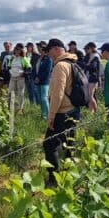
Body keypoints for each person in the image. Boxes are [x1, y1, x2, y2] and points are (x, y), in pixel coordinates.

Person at [43, 38, 82, 186]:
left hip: (62, 112)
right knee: (69, 143)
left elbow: (57, 93)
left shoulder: (60, 66)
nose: (48, 54)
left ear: (56, 49)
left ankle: (54, 179)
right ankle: (69, 174)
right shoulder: (72, 62)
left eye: (49, 51)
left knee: (49, 144)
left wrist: (51, 115)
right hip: (74, 110)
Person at [7, 44, 32, 113]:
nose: (17, 51)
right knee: (10, 92)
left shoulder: (24, 59)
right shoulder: (12, 58)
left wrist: (23, 73)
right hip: (12, 78)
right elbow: (9, 67)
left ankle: (20, 109)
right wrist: (9, 72)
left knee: (20, 94)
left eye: (18, 50)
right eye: (16, 49)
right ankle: (10, 107)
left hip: (20, 78)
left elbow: (29, 68)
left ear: (21, 51)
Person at [35, 41, 53, 119]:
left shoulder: (48, 58)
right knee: (40, 99)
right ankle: (43, 115)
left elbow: (47, 71)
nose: (39, 48)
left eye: (40, 46)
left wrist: (39, 78)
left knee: (44, 98)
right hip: (38, 81)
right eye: (38, 46)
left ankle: (49, 115)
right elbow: (36, 69)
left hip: (45, 81)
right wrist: (35, 78)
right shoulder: (39, 58)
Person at [83, 42, 102, 113]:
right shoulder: (88, 56)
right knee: (89, 96)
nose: (86, 50)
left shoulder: (95, 56)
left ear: (91, 48)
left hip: (93, 78)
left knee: (91, 96)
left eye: (87, 48)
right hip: (88, 77)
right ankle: (91, 112)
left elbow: (93, 67)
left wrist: (85, 65)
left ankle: (96, 112)